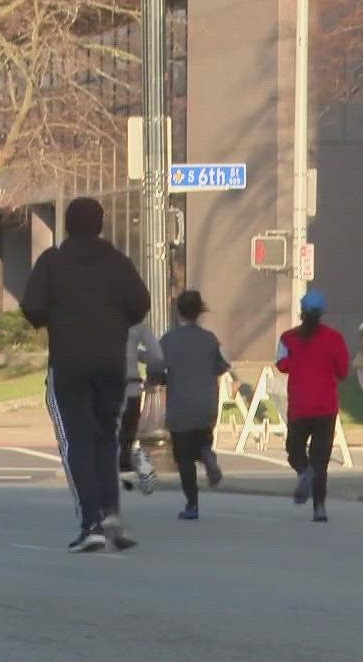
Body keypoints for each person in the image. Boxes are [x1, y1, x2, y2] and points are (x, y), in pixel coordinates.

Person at [22, 196, 151, 553]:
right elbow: (140, 302)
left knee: (76, 441)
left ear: (67, 225)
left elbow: (32, 305)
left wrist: (55, 318)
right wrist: (115, 320)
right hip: (111, 363)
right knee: (105, 439)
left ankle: (90, 522)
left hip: (69, 362)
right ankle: (111, 513)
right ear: (100, 225)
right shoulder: (117, 263)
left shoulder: (53, 261)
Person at [276, 289, 351, 523]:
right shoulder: (334, 338)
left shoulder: (288, 338)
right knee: (321, 459)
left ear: (301, 312)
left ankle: (303, 471)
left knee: (294, 449)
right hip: (326, 406)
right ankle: (319, 508)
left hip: (299, 405)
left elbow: (281, 365)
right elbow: (343, 371)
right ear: (322, 314)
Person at [159, 290, 228, 520]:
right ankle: (207, 455)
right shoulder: (210, 339)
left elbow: (156, 370)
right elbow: (223, 364)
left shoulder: (168, 340)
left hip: (180, 406)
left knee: (184, 458)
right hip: (206, 404)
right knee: (202, 439)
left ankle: (192, 504)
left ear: (178, 311)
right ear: (200, 312)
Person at [118, 321, 167, 494]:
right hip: (130, 386)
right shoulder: (138, 325)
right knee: (128, 432)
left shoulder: (98, 320)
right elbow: (157, 355)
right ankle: (128, 462)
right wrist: (137, 355)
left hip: (104, 385)